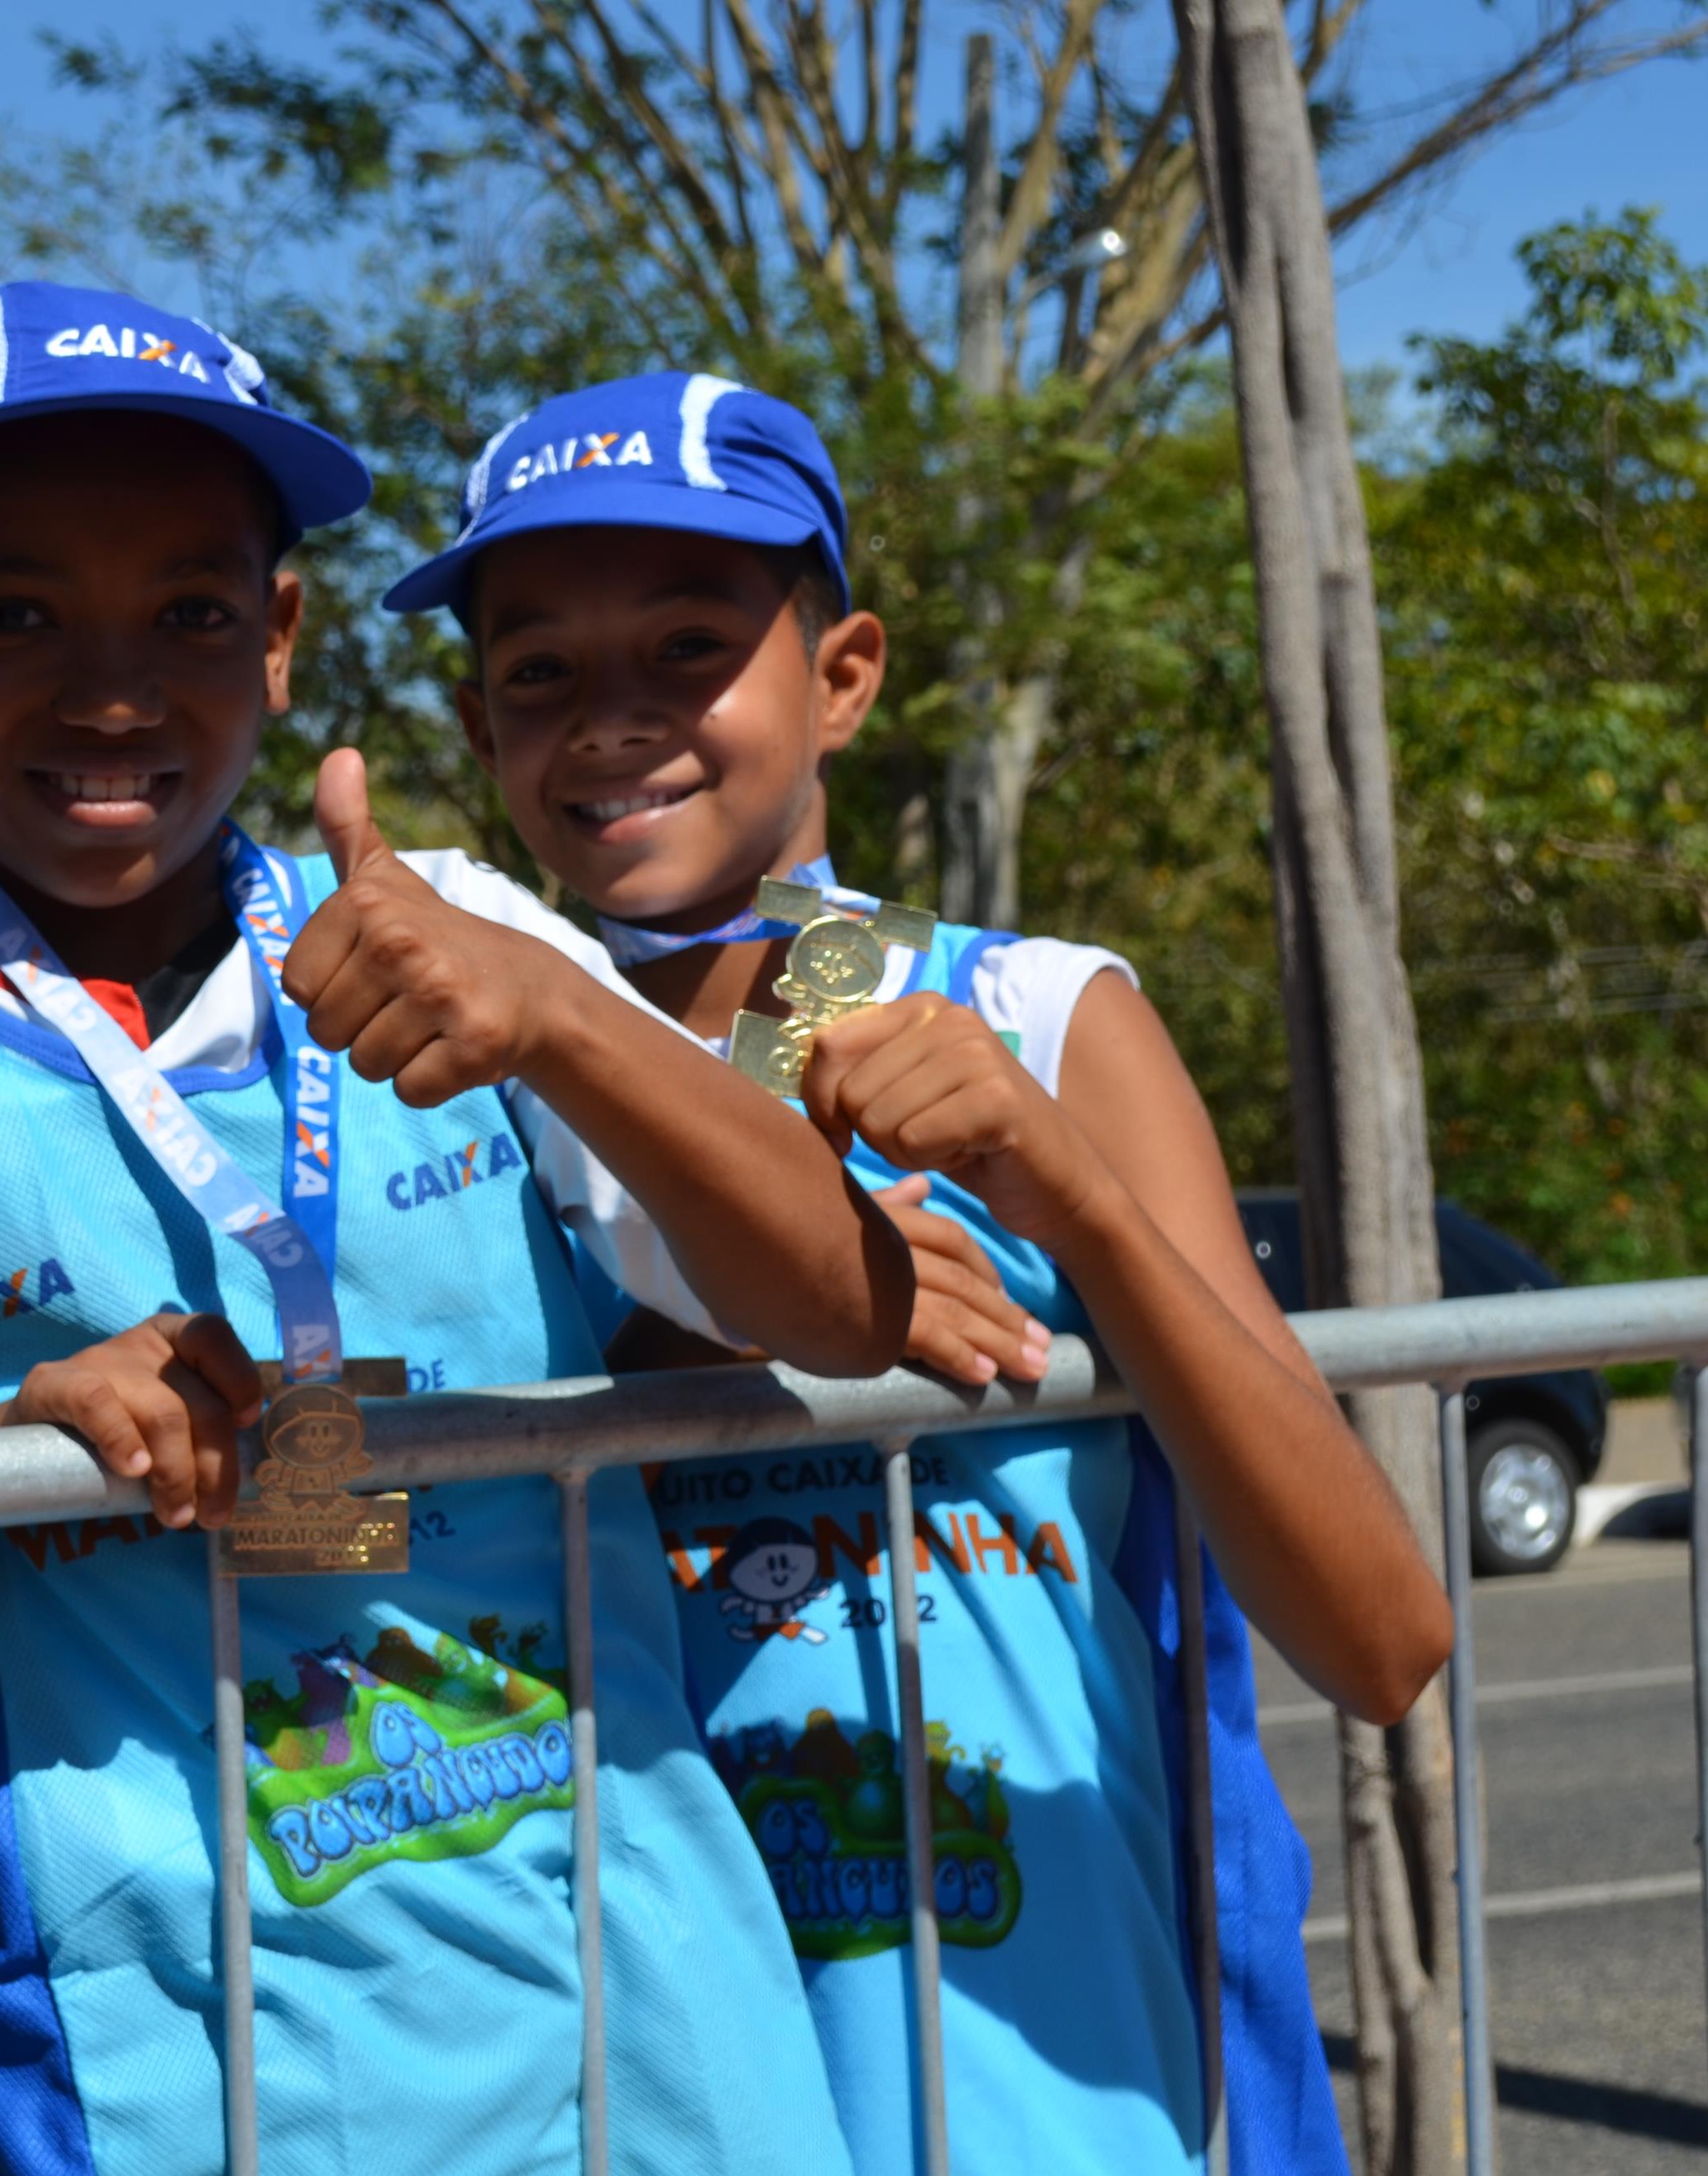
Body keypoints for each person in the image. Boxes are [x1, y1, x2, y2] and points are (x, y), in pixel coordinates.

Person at [0, 281, 916, 2175]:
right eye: (10, 614)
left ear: (279, 638)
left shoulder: (460, 924)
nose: (112, 690)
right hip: (157, 2081)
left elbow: (843, 1313)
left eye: (191, 614)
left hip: (648, 2052)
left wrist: (566, 1020)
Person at [385, 369, 1456, 2175]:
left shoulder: (1042, 1015)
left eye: (688, 647)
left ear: (843, 677)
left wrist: (1078, 1202)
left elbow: (1382, 1637)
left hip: (1067, 2096)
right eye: (540, 670)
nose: (612, 719)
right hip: (634, 2104)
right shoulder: (449, 1086)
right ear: (479, 722)